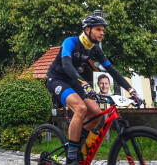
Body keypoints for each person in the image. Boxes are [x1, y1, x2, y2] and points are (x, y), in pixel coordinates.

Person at [46, 15, 143, 165]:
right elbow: (66, 65)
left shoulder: (95, 49)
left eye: (103, 30)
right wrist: (84, 84)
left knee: (96, 113)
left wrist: (132, 91)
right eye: (98, 29)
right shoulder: (70, 42)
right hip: (57, 78)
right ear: (87, 29)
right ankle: (71, 158)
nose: (102, 33)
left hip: (74, 81)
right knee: (81, 108)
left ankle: (78, 145)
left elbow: (112, 70)